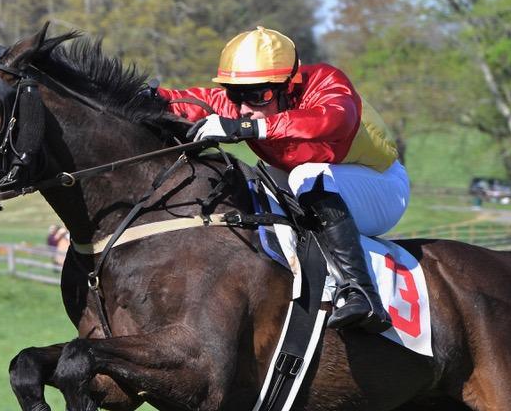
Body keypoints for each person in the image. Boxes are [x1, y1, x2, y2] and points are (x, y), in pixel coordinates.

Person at [157, 26, 409, 333]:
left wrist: (247, 130)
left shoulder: (326, 82)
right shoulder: (242, 104)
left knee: (306, 174)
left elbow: (335, 119)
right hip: (322, 185)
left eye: (259, 95)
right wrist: (138, 95)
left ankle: (363, 294)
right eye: (236, 95)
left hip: (381, 187)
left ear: (289, 87)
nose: (245, 108)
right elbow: (188, 101)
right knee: (259, 182)